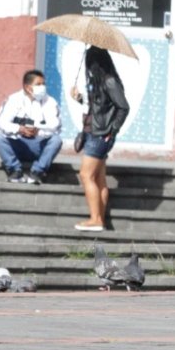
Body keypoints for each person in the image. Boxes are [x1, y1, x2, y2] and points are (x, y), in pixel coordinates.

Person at [69, 46, 129, 232]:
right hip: (92, 132)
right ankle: (100, 219)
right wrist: (79, 98)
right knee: (99, 178)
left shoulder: (109, 81)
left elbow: (123, 107)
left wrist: (113, 130)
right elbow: (96, 108)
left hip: (101, 135)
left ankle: (95, 219)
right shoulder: (97, 82)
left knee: (86, 175)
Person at [0, 69, 62, 185]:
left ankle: (37, 172)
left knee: (56, 140)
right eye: (38, 84)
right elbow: (0, 122)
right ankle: (15, 171)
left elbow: (55, 125)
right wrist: (19, 129)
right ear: (27, 87)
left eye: (43, 84)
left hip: (39, 145)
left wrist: (38, 130)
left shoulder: (50, 102)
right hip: (18, 143)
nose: (43, 87)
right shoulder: (13, 100)